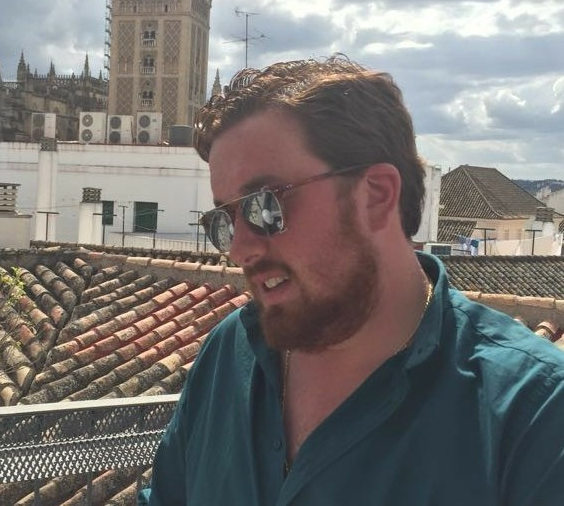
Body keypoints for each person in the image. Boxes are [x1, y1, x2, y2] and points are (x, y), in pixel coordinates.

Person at [142, 56, 564, 505]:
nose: (239, 249)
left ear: (376, 196)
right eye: (224, 220)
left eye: (263, 206)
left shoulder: (534, 416)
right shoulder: (229, 353)